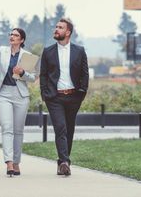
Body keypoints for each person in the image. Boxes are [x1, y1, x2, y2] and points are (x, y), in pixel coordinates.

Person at [0, 17, 37, 177]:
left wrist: (23, 73)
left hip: (20, 95)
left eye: (16, 35)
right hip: (3, 93)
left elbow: (32, 78)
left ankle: (17, 163)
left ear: (22, 40)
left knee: (18, 131)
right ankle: (9, 163)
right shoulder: (3, 51)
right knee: (7, 128)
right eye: (11, 34)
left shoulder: (27, 56)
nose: (12, 37)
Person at [39, 18, 89, 176]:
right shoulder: (48, 51)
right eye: (56, 27)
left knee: (69, 130)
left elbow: (84, 73)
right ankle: (65, 162)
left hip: (73, 96)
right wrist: (45, 94)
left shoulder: (79, 51)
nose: (56, 29)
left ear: (68, 32)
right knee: (60, 128)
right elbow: (44, 75)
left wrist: (82, 92)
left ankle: (62, 162)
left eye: (60, 27)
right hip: (55, 98)